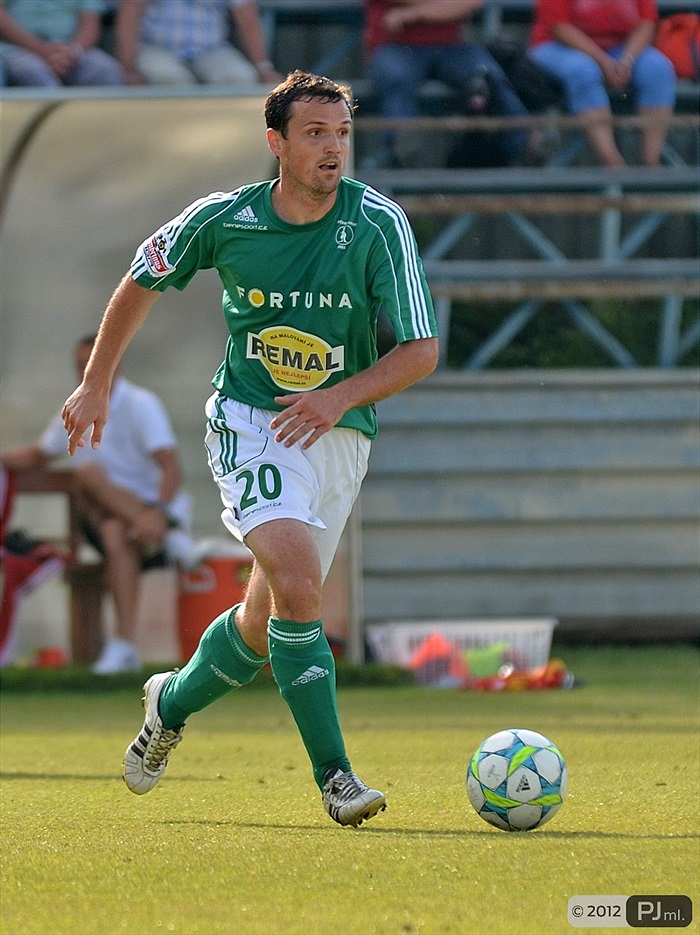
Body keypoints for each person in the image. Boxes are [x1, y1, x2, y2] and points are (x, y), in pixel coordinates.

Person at [61, 70, 439, 826]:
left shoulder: (377, 224)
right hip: (251, 421)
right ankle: (337, 778)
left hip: (337, 431)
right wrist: (98, 381)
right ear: (276, 143)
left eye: (342, 133)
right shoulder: (224, 218)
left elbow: (421, 351)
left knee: (264, 627)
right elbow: (141, 277)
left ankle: (168, 702)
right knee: (301, 583)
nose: (334, 149)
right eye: (315, 134)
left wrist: (337, 397)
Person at [1, 335, 200, 674]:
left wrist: (157, 514)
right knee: (92, 480)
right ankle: (169, 537)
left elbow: (171, 468)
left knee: (112, 529)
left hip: (147, 519)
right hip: (133, 523)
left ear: (112, 363)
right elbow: (38, 455)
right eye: (80, 366)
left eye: (91, 365)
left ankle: (123, 646)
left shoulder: (141, 404)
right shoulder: (75, 406)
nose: (84, 373)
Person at [363, 0, 531, 169]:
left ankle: (527, 141)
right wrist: (442, 6)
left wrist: (412, 14)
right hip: (395, 45)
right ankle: (403, 147)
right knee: (395, 78)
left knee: (488, 75)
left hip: (451, 46)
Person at [528, 0, 676, 167]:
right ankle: (612, 163)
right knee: (583, 71)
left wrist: (627, 61)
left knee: (658, 69)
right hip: (557, 45)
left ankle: (651, 162)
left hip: (620, 46)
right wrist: (604, 62)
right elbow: (559, 27)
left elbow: (646, 22)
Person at [115, 0, 281, 87]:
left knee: (239, 78)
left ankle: (224, 145)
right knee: (170, 80)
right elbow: (130, 11)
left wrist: (263, 68)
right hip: (157, 47)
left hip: (212, 49)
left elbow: (247, 16)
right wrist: (128, 69)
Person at [0, 0, 123, 87]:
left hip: (71, 49)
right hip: (19, 48)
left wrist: (72, 52)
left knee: (105, 69)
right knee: (33, 71)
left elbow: (91, 21)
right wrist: (41, 49)